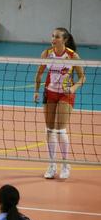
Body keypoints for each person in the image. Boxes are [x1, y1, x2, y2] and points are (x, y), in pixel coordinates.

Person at [33, 28, 85, 179]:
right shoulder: (47, 53)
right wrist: (36, 91)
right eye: (52, 36)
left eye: (56, 37)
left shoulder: (72, 56)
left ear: (65, 40)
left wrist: (73, 88)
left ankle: (65, 164)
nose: (53, 39)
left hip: (65, 95)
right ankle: (52, 164)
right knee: (49, 130)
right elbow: (39, 73)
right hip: (49, 93)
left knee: (60, 130)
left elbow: (82, 77)